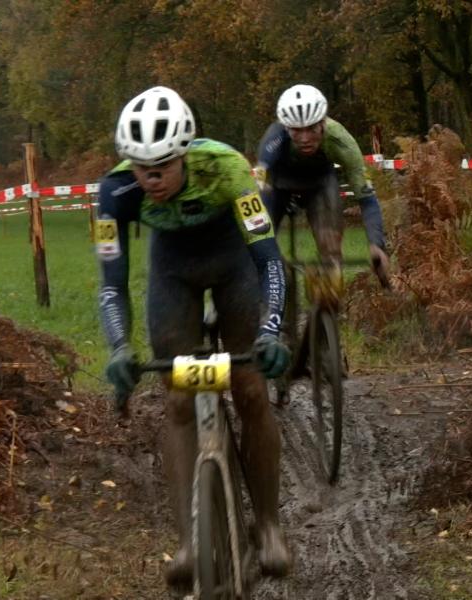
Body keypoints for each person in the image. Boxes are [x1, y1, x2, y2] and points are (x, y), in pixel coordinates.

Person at [96, 86, 292, 590]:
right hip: (173, 272)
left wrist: (270, 330)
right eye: (142, 167)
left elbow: (269, 260)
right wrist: (120, 347)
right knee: (179, 401)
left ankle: (267, 524)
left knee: (250, 390)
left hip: (234, 264)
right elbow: (111, 285)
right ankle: (190, 540)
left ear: (184, 153)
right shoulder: (114, 193)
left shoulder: (228, 169)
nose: (152, 178)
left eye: (163, 164)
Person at [256, 84, 389, 288]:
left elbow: (366, 197)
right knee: (259, 239)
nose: (305, 139)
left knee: (330, 249)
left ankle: (328, 295)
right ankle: (272, 281)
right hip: (278, 184)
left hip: (319, 183)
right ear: (286, 127)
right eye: (297, 131)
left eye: (312, 129)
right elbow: (259, 182)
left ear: (323, 123)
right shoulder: (274, 137)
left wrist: (376, 244)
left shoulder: (340, 140)